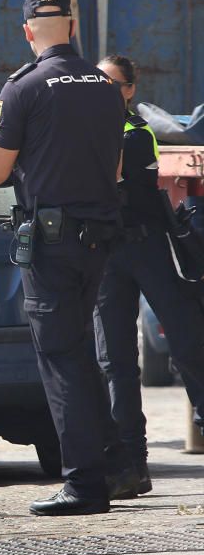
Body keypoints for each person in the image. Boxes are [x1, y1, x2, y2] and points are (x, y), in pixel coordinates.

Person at [0, 0, 126, 516]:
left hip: (52, 243)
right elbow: (116, 170)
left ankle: (83, 484)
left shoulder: (24, 87)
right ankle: (115, 465)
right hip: (97, 237)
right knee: (80, 352)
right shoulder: (105, 86)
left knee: (62, 359)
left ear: (28, 32)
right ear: (72, 28)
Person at [92, 54, 204, 498]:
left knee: (186, 341)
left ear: (129, 90)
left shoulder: (136, 132)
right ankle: (130, 464)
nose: (102, 91)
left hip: (148, 246)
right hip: (105, 253)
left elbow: (110, 173)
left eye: (111, 84)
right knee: (114, 361)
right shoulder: (90, 130)